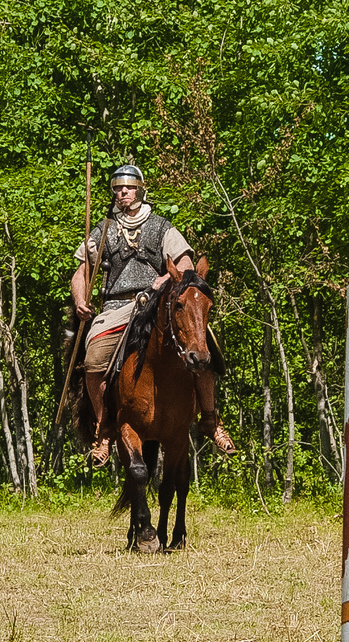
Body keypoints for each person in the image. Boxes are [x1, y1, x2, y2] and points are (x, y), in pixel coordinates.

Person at [70, 162, 233, 463]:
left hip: (158, 303)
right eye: (118, 189)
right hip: (116, 307)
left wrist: (164, 280)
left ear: (140, 190)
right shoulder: (102, 230)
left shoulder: (161, 226)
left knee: (204, 350)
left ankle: (210, 421)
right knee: (92, 358)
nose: (123, 193)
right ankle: (104, 431)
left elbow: (185, 264)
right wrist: (81, 300)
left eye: (128, 188)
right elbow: (81, 272)